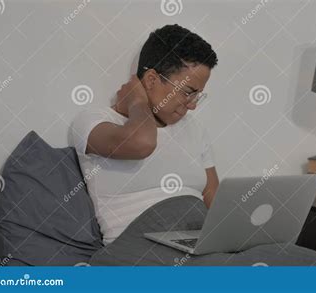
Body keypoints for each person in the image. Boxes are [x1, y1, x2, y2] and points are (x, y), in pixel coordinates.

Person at [70, 24, 219, 245]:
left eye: (198, 95)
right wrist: (137, 101)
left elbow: (215, 204)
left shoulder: (195, 129)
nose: (192, 106)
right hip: (137, 252)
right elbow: (143, 144)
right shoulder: (94, 121)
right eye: (188, 93)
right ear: (151, 80)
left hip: (196, 248)